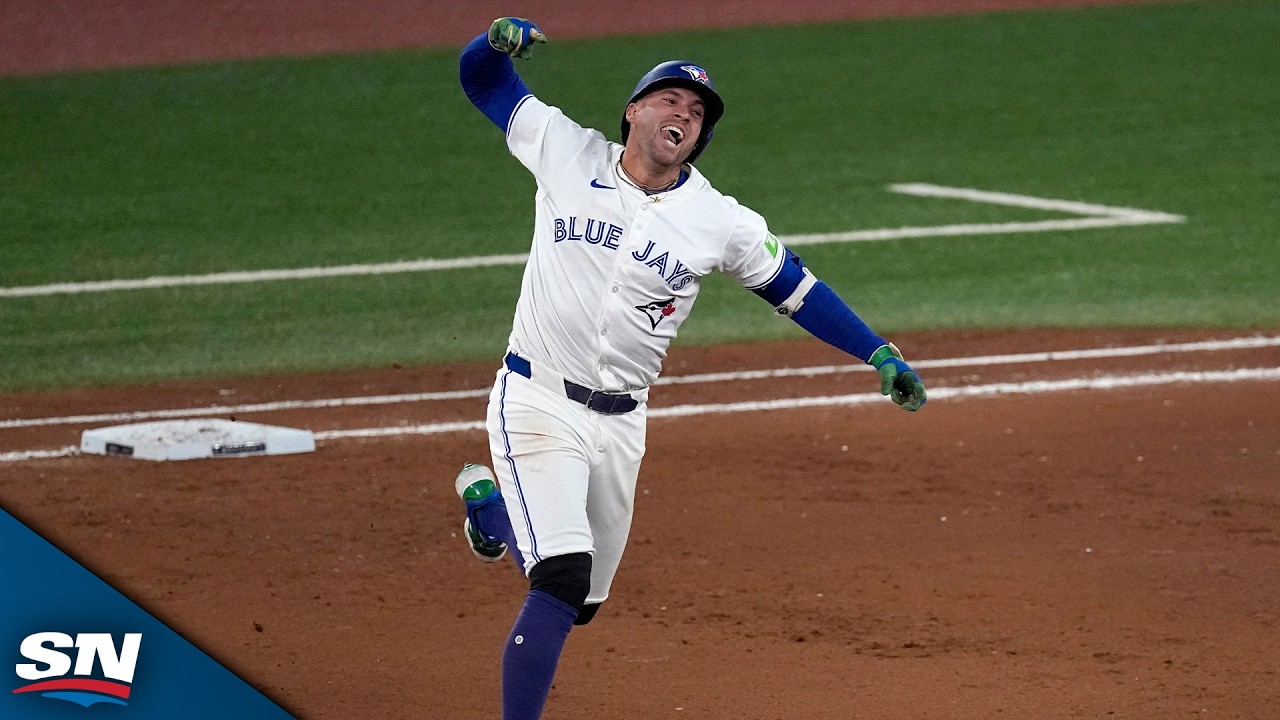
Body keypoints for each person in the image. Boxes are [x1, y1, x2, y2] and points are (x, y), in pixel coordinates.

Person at [455, 16, 926, 720]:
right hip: (537, 397)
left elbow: (797, 289)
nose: (685, 113)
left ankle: (493, 515)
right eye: (671, 99)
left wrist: (878, 351)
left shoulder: (718, 219)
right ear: (634, 110)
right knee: (559, 579)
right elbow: (484, 84)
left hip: (621, 422)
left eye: (698, 112)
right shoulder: (564, 149)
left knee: (578, 603)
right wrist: (492, 46)